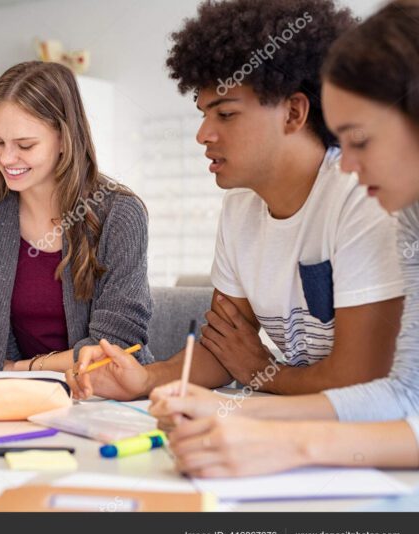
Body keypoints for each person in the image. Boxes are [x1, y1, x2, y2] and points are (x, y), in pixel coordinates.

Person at [69, 0, 403, 401]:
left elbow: (361, 378)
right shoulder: (240, 209)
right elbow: (223, 349)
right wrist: (145, 379)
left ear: (293, 113)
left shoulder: (364, 196)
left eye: (225, 114)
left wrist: (266, 374)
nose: (203, 135)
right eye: (203, 114)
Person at [150, 0, 419, 478]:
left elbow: (376, 388)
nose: (347, 163)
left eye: (359, 140)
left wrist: (288, 440)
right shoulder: (411, 217)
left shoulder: (370, 207)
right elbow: (406, 396)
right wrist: (231, 411)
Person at [0, 61, 153, 382]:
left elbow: (115, 345)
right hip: (6, 392)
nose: (6, 158)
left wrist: (20, 369)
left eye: (25, 145)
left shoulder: (119, 215)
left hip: (101, 393)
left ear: (64, 140)